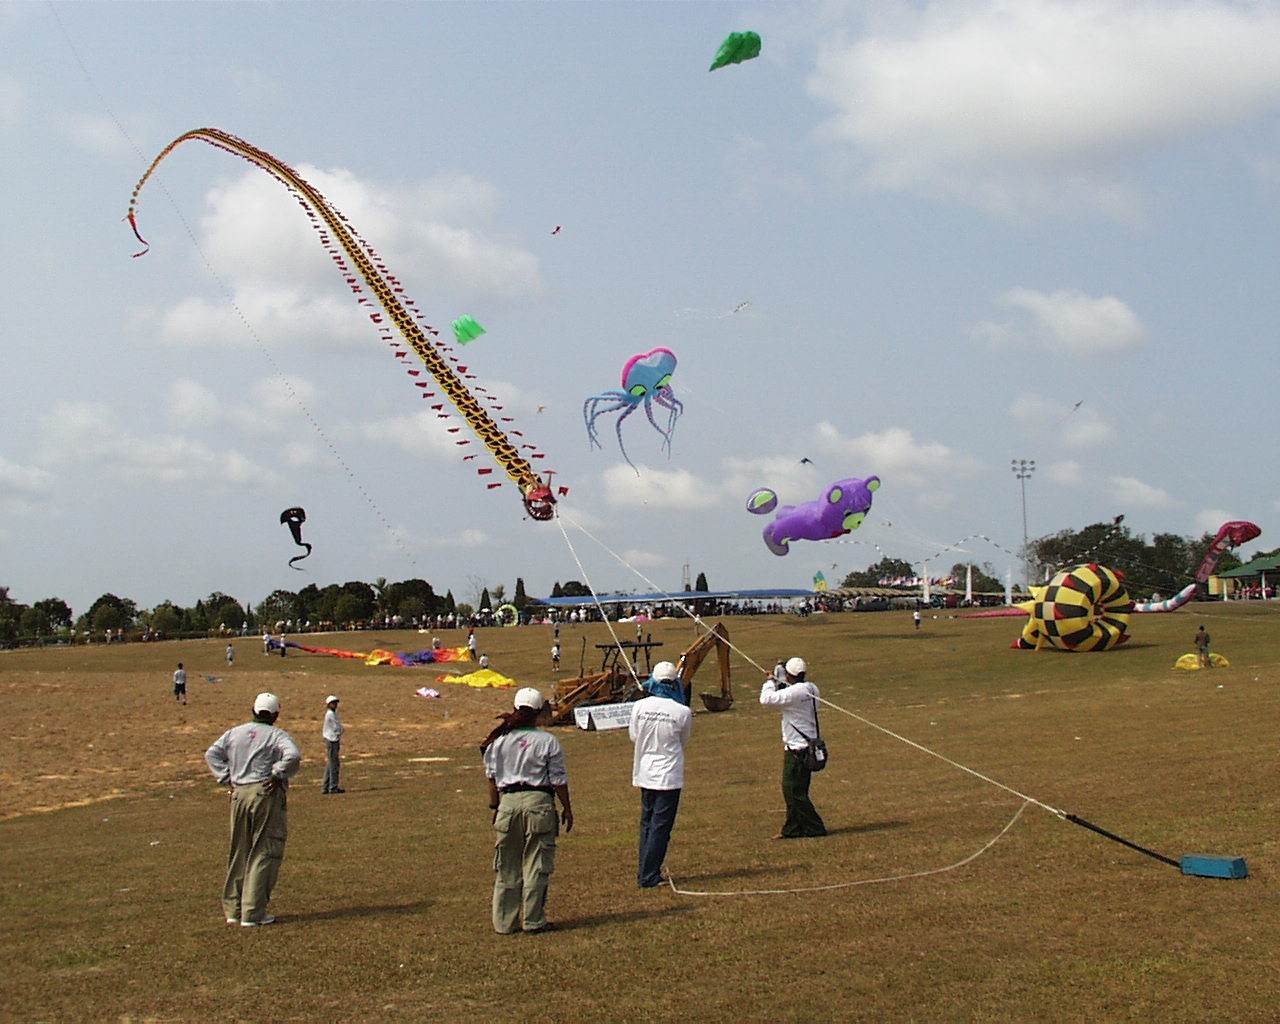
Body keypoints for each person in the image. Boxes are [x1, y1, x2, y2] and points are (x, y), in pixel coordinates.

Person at [204, 692, 301, 926]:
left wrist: (227, 778)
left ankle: (233, 909)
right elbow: (293, 755)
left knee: (239, 850)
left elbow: (212, 754)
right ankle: (253, 911)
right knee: (264, 850)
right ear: (276, 715)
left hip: (239, 794)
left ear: (253, 710)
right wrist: (277, 773)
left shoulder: (234, 733)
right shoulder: (277, 735)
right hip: (263, 793)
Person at [481, 687, 573, 934]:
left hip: (508, 804)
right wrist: (567, 807)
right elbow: (558, 780)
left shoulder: (497, 741)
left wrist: (496, 807)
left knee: (507, 865)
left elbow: (492, 779)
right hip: (539, 803)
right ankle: (533, 920)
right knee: (537, 863)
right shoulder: (548, 741)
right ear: (538, 712)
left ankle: (504, 922)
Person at [629, 662, 693, 888]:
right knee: (660, 826)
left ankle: (645, 870)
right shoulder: (682, 711)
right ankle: (648, 875)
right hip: (669, 774)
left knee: (647, 822)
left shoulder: (639, 706)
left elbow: (634, 736)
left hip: (646, 772)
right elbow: (683, 741)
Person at [759, 657, 827, 839]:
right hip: (808, 745)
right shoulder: (812, 688)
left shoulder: (795, 693)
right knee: (798, 789)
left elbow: (766, 700)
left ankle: (814, 826)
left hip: (798, 748)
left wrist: (769, 682)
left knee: (791, 790)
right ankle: (792, 828)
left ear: (790, 675)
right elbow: (791, 694)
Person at [322, 695, 345, 794]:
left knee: (330, 763)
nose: (335, 705)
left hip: (333, 739)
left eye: (335, 703)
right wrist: (341, 730)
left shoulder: (333, 714)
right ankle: (333, 787)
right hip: (332, 740)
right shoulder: (330, 714)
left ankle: (326, 787)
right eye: (333, 703)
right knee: (334, 764)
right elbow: (336, 727)